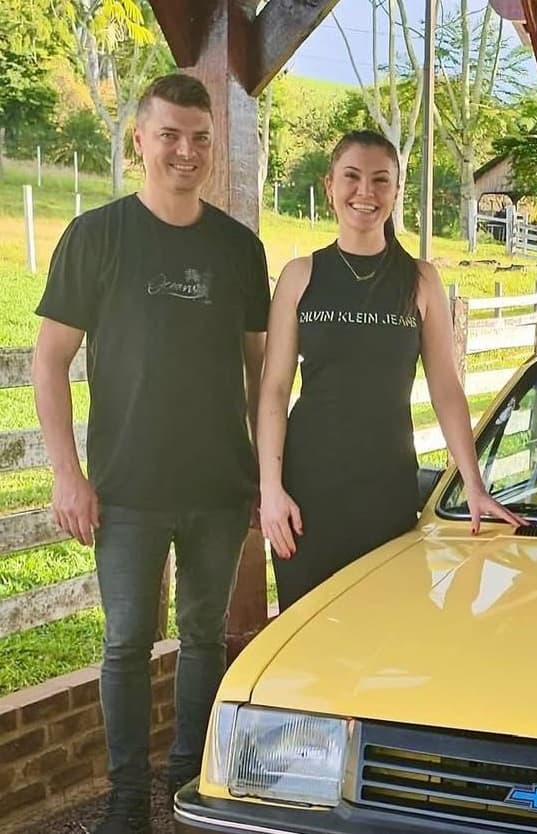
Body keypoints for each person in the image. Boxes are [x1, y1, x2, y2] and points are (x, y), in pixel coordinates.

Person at [31, 74, 270, 832]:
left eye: (200, 138)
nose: (186, 151)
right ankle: (128, 795)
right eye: (169, 134)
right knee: (126, 640)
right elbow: (48, 360)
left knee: (204, 637)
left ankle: (183, 781)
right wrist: (67, 474)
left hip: (219, 488)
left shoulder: (239, 249)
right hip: (125, 488)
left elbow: (263, 371)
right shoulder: (95, 237)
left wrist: (264, 474)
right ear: (139, 139)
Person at [257, 130, 521, 611]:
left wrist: (474, 484)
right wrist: (270, 490)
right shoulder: (300, 276)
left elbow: (445, 388)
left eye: (381, 180)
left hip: (386, 488)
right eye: (352, 177)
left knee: (388, 629)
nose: (366, 192)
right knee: (309, 633)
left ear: (396, 192)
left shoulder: (420, 279)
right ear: (330, 185)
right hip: (306, 487)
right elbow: (274, 390)